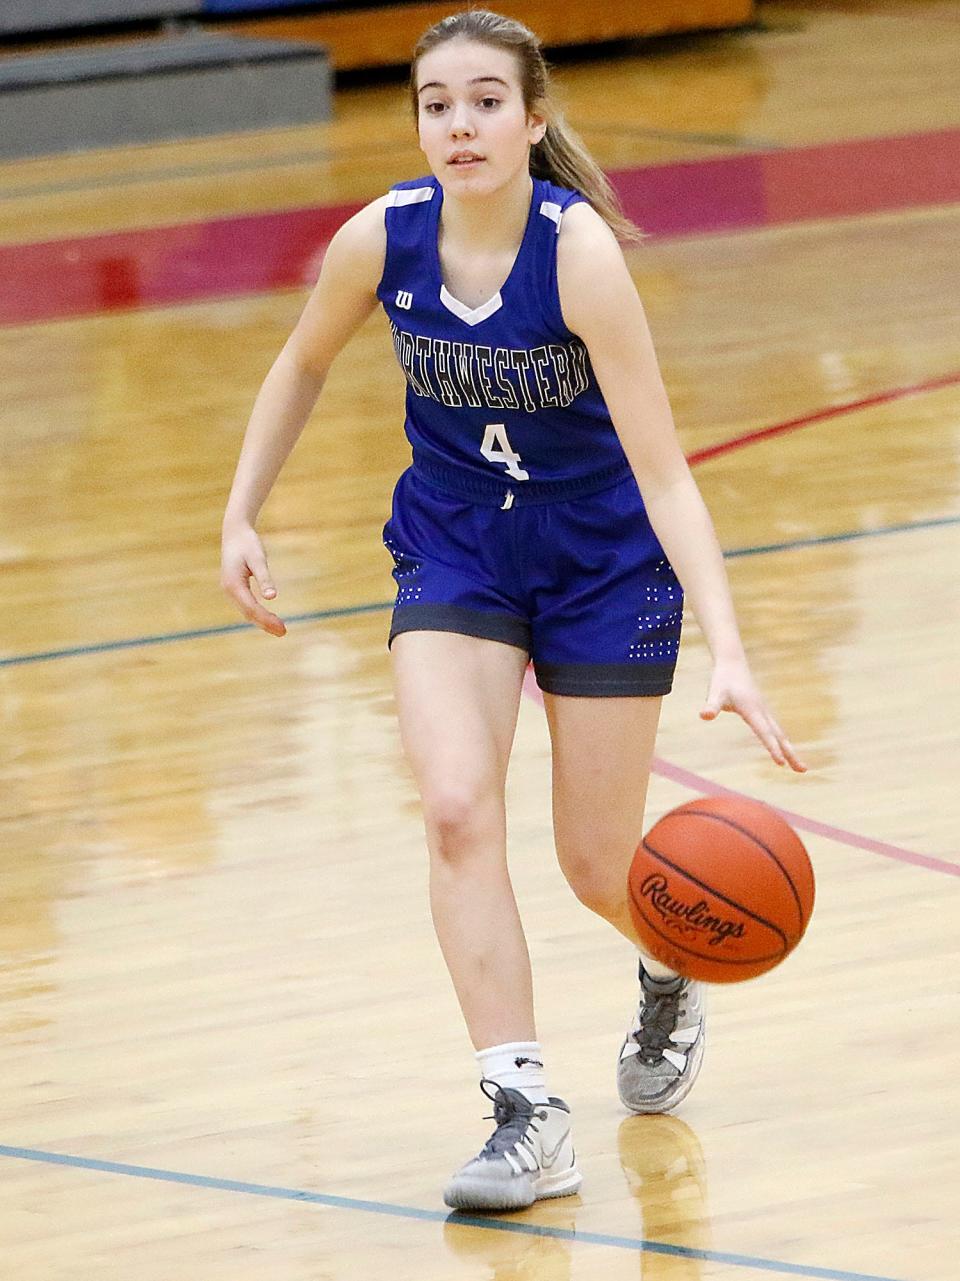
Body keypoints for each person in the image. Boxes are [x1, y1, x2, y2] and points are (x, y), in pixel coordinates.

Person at [220, 9, 806, 1215]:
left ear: (533, 121)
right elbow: (302, 362)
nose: (460, 124)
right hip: (456, 549)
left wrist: (731, 644)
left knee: (599, 866)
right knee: (451, 808)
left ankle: (664, 958)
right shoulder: (380, 240)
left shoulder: (579, 253)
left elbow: (665, 471)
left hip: (601, 558)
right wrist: (239, 513)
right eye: (437, 103)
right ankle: (526, 1112)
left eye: (487, 101)